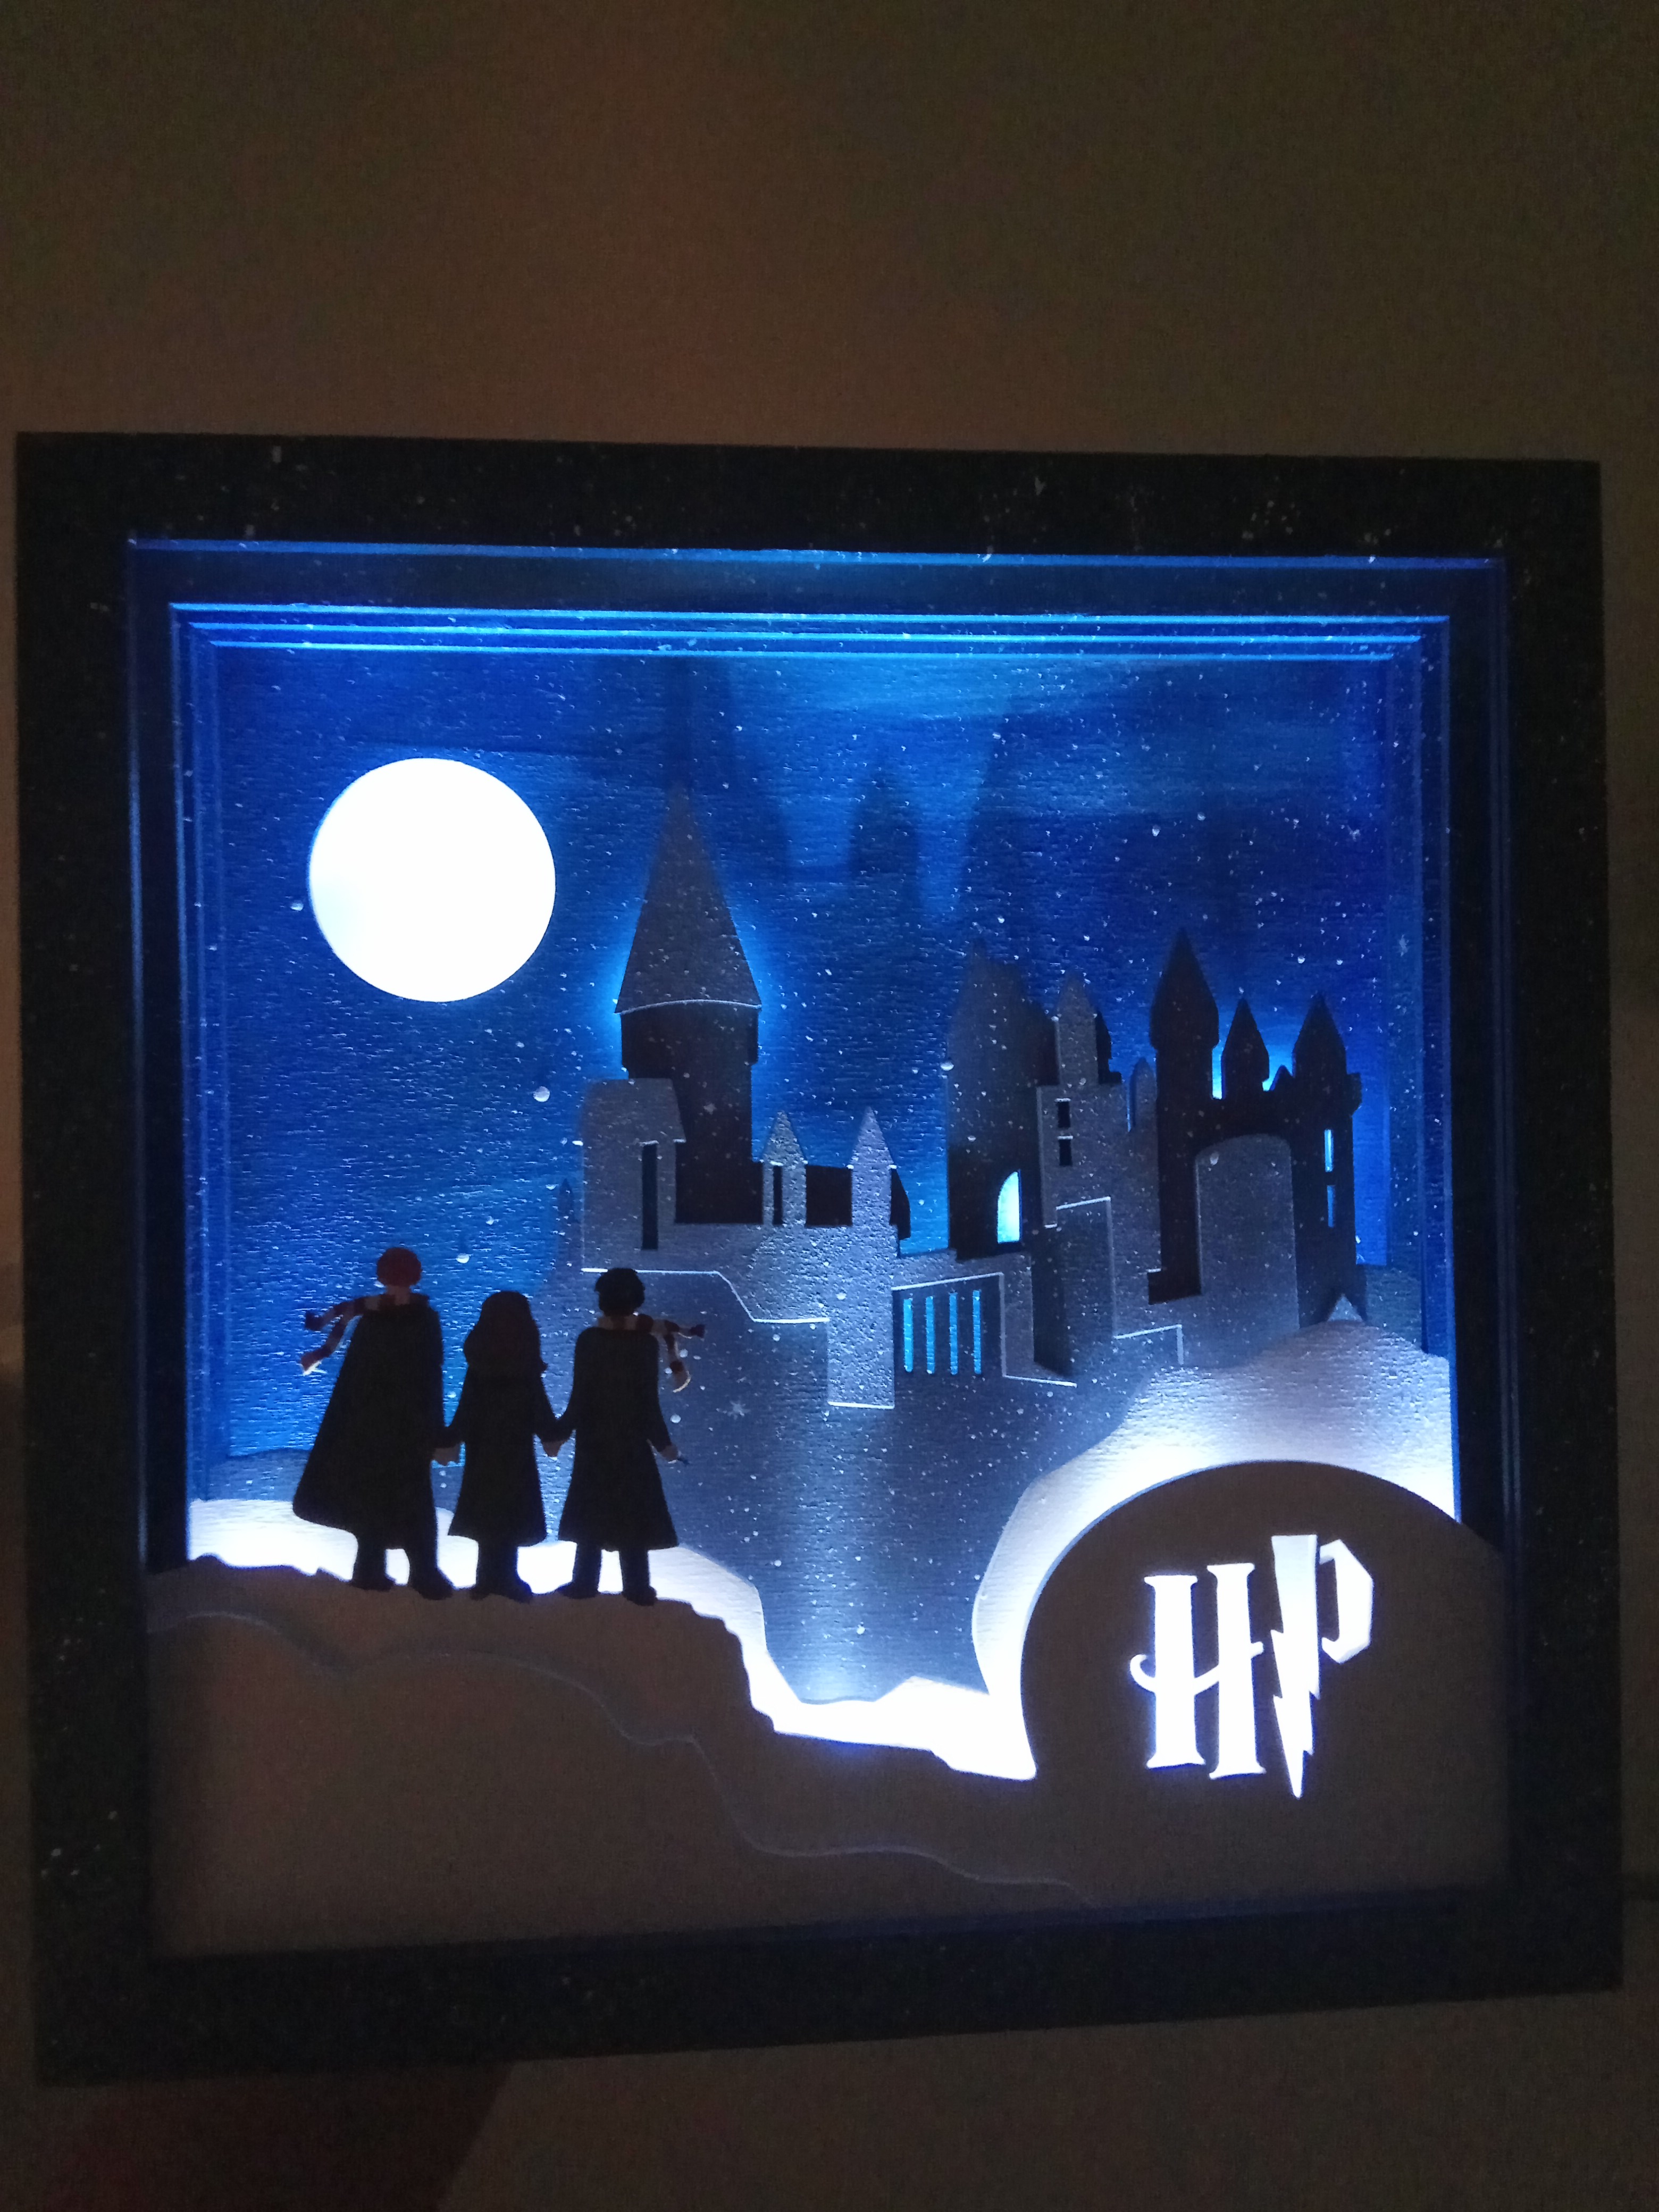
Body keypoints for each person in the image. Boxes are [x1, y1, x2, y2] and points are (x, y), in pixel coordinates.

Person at [292, 1245, 453, 1598]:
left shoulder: (393, 1319)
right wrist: (435, 1432)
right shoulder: (403, 1320)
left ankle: (399, 1571)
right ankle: (404, 1571)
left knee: (389, 1499)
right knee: (398, 1499)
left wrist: (434, 1433)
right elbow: (427, 1378)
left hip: (386, 1430)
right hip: (389, 1429)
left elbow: (423, 1377)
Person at [548, 1266, 682, 1605]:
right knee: (632, 1514)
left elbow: (579, 1398)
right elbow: (648, 1403)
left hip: (594, 1443)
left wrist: (560, 1432)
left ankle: (584, 1583)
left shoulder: (590, 1341)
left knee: (592, 1513)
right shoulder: (645, 1345)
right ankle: (636, 1587)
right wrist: (663, 1444)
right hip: (631, 1445)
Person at [439, 1289, 559, 1602]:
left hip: (483, 1451)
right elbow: (539, 1410)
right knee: (510, 1513)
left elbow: (466, 1410)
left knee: (488, 1512)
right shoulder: (525, 1370)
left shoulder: (480, 1368)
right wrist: (553, 1433)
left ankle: (488, 1579)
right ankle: (503, 1578)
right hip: (516, 1453)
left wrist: (451, 1438)